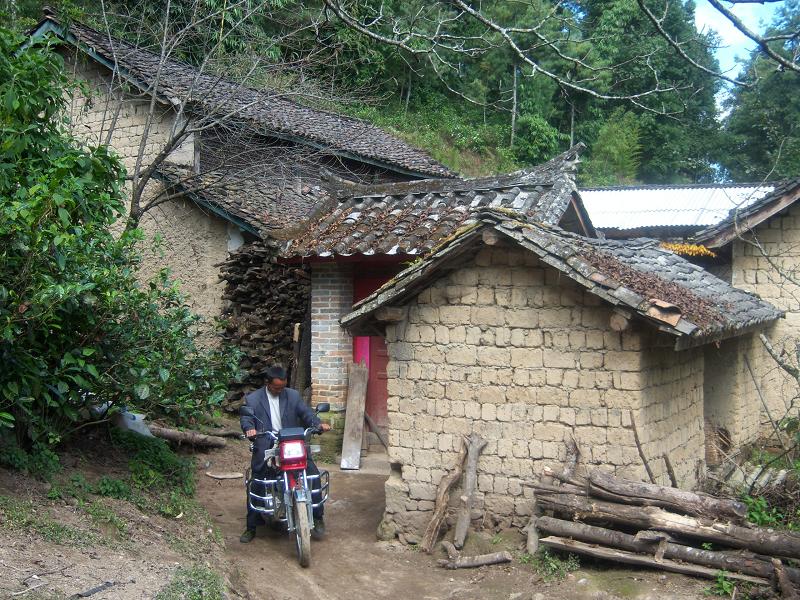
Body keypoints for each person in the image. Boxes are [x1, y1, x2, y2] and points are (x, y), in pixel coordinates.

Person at [239, 365, 331, 544]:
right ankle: (251, 526)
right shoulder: (253, 399)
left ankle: (318, 517)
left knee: (312, 474)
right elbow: (246, 418)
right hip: (268, 442)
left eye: (282, 387)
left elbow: (306, 414)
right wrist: (250, 429)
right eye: (276, 388)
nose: (280, 391)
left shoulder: (292, 395)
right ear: (268, 383)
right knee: (258, 479)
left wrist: (318, 424)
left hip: (291, 442)